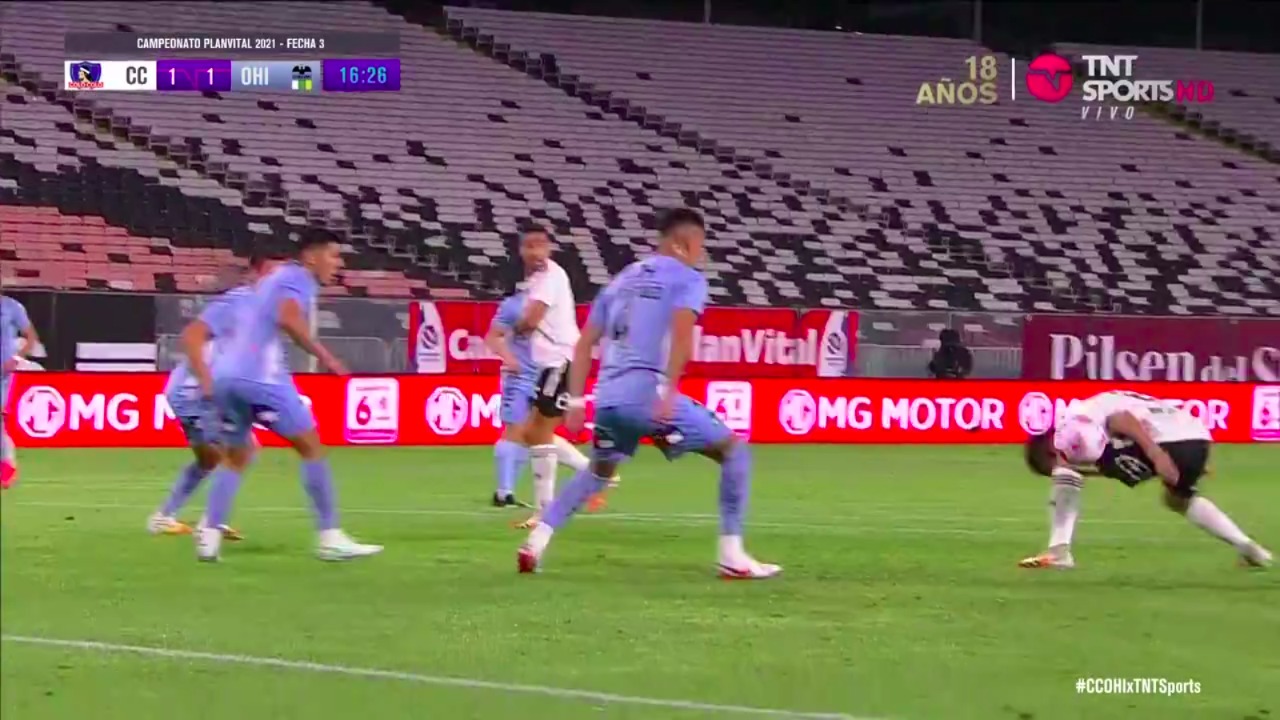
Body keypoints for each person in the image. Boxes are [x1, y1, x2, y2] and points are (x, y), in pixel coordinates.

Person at [517, 208, 780, 579]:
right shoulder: (687, 279)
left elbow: (585, 343)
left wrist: (575, 402)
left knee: (598, 471)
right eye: (699, 246)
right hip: (648, 396)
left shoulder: (622, 280)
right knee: (734, 451)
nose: (700, 254)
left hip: (608, 399)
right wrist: (669, 391)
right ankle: (732, 555)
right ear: (684, 243)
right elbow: (683, 338)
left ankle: (537, 540)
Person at [197, 229, 382, 562]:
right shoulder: (298, 277)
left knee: (236, 456)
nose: (338, 263)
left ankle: (209, 537)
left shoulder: (273, 279)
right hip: (261, 376)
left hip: (224, 376)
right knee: (312, 448)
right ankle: (330, 537)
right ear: (311, 256)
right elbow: (288, 317)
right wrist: (326, 358)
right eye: (333, 255)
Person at [1021, 389, 1271, 569]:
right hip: (1196, 439)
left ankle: (1059, 550)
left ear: (1051, 449)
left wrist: (1157, 454)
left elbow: (1122, 419)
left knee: (1067, 472)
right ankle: (1247, 546)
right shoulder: (1093, 411)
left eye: (1050, 467)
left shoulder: (1073, 424)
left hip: (1163, 442)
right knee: (1177, 500)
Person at [147, 251, 280, 536]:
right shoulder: (240, 302)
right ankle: (210, 521)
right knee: (241, 450)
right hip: (194, 392)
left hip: (195, 392)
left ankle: (164, 517)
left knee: (209, 460)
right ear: (256, 273)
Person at [509, 226, 588, 512]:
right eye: (529, 246)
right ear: (521, 251)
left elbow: (532, 320)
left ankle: (545, 509)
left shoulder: (549, 277)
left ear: (549, 248)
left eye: (540, 245)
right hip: (551, 363)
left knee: (537, 432)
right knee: (531, 432)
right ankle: (590, 471)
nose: (535, 251)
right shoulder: (537, 279)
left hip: (560, 360)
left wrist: (511, 331)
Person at [1, 293, 39, 490]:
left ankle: (7, 467)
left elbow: (30, 336)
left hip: (2, 373)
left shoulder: (11, 307)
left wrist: (16, 359)